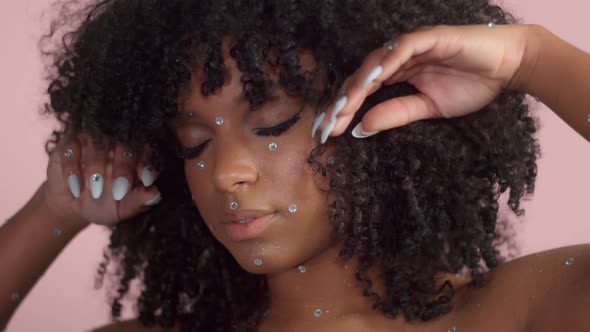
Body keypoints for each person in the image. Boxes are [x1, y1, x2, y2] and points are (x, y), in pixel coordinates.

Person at [1, 0, 589, 331]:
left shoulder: (517, 313)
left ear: (380, 109)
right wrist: (53, 210)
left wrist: (531, 58)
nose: (226, 172)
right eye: (194, 142)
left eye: (273, 125)